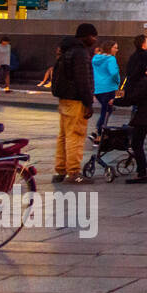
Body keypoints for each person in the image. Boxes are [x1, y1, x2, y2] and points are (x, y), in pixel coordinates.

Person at [51, 23, 97, 184]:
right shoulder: (80, 53)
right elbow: (82, 79)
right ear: (85, 36)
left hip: (65, 99)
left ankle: (60, 170)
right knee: (75, 135)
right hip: (76, 100)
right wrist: (88, 102)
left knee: (63, 135)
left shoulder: (67, 50)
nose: (95, 39)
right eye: (93, 36)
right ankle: (74, 172)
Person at [90, 39, 121, 143]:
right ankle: (99, 133)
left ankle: (97, 131)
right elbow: (114, 73)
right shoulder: (111, 59)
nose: (117, 50)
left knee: (106, 109)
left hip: (98, 88)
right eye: (115, 47)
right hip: (109, 88)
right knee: (107, 110)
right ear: (109, 48)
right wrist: (118, 82)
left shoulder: (95, 58)